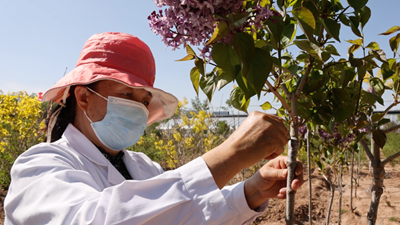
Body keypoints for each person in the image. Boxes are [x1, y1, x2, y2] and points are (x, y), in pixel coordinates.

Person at [4, 32, 304, 225]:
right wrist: (232, 154)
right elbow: (92, 220)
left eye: (144, 100)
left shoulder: (142, 166)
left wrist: (251, 191)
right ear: (83, 97)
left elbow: (184, 214)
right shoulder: (39, 164)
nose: (138, 107)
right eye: (126, 95)